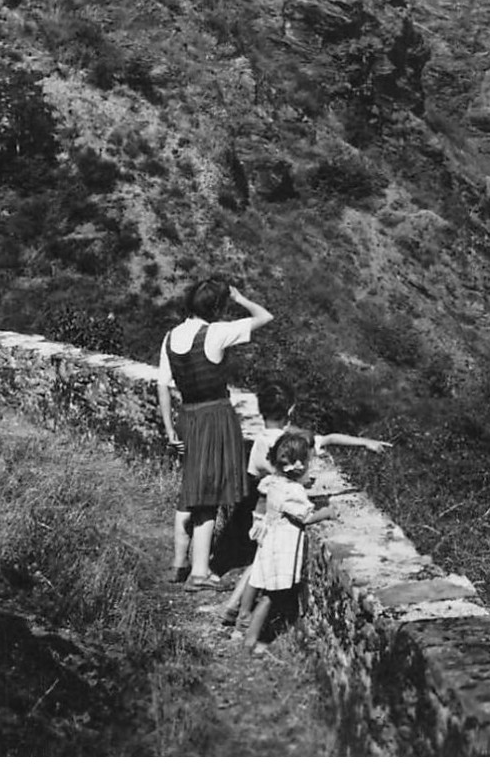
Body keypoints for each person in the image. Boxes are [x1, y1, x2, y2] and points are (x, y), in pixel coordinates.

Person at [215, 384, 391, 629]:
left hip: (259, 510)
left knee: (259, 562)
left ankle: (235, 607)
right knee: (260, 565)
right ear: (291, 410)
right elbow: (326, 440)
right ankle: (238, 610)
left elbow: (260, 474)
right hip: (277, 517)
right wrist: (364, 442)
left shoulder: (260, 443)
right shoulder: (288, 445)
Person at [158, 277, 274, 591]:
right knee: (208, 494)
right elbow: (265, 317)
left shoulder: (171, 336)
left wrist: (170, 428)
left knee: (192, 486)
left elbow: (163, 385)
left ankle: (179, 560)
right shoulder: (216, 333)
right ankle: (199, 572)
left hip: (188, 416)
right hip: (214, 416)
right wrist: (240, 298)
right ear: (217, 307)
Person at [242, 433, 337, 654]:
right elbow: (306, 517)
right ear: (301, 466)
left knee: (264, 587)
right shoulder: (293, 491)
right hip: (281, 547)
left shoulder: (272, 482)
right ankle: (251, 641)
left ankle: (247, 626)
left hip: (270, 540)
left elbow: (264, 505)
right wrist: (326, 512)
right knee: (269, 597)